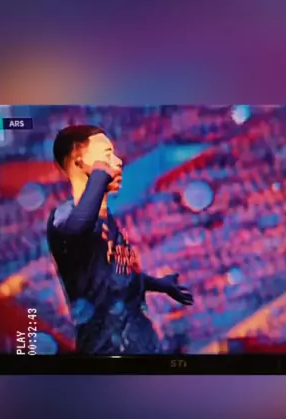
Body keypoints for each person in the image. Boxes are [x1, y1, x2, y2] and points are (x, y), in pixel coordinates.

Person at [47, 125, 193, 354]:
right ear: (79, 162)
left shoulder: (107, 220)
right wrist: (99, 176)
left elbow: (115, 278)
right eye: (107, 155)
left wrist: (157, 284)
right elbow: (76, 229)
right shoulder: (64, 215)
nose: (117, 162)